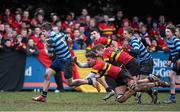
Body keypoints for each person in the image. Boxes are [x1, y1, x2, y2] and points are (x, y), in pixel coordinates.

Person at [71, 51, 169, 103]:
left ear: (94, 59)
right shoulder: (93, 63)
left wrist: (84, 81)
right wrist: (76, 62)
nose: (87, 62)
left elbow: (89, 76)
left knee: (136, 87)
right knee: (120, 99)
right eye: (87, 60)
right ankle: (149, 81)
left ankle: (158, 83)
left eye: (88, 60)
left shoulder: (98, 65)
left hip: (122, 73)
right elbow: (82, 66)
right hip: (118, 79)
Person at [32, 23, 75, 102]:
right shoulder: (59, 33)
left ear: (48, 31)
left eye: (44, 31)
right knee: (47, 74)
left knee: (71, 83)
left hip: (66, 61)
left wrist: (45, 46)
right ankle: (43, 96)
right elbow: (69, 39)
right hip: (59, 59)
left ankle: (89, 81)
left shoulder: (49, 40)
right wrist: (67, 47)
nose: (43, 33)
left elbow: (50, 55)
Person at [163, 25, 180, 104]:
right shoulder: (169, 40)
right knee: (171, 76)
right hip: (177, 62)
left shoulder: (176, 40)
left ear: (172, 33)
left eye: (168, 31)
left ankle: (172, 97)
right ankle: (172, 97)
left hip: (178, 61)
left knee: (172, 76)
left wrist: (172, 61)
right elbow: (171, 52)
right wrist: (170, 60)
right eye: (166, 31)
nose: (166, 33)